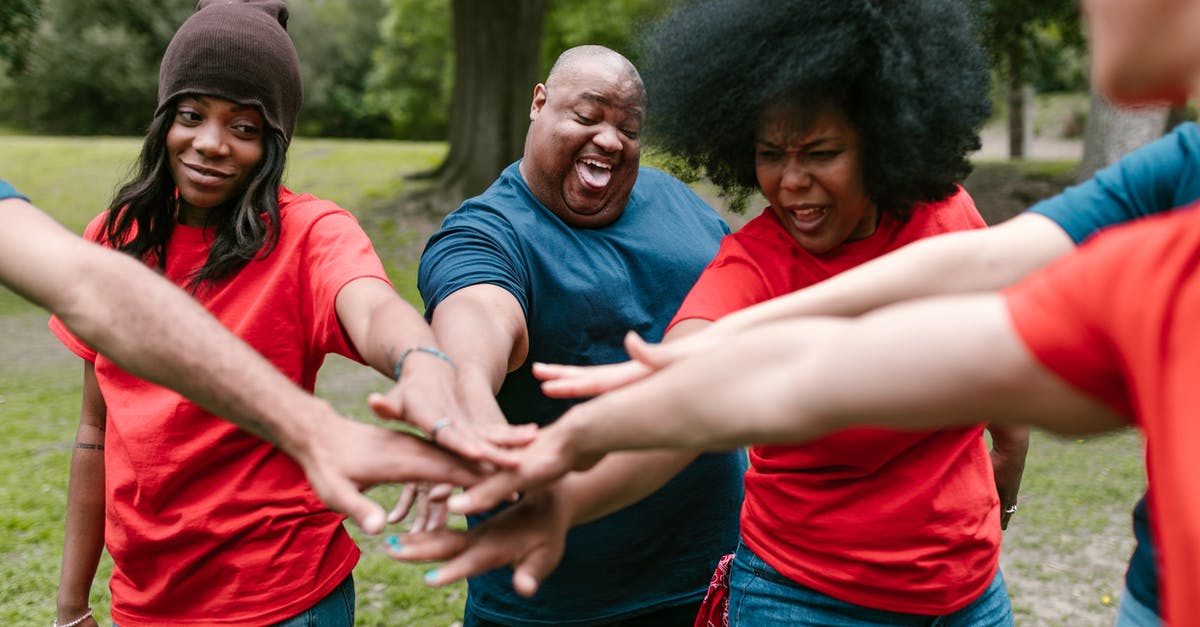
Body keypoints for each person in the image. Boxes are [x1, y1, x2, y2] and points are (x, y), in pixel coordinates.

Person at [434, 0, 1200, 623]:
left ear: (881, 137)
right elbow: (692, 406)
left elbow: (982, 283)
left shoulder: (948, 213)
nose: (791, 182)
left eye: (822, 152)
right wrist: (565, 485)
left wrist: (1003, 483)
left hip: (966, 594)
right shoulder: (752, 261)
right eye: (772, 154)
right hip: (805, 596)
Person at [46, 3, 501, 626]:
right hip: (147, 603)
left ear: (273, 143)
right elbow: (94, 432)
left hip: (282, 600)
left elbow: (372, 307)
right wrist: (71, 606)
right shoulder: (114, 238)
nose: (211, 143)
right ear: (163, 121)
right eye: (191, 115)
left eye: (245, 126)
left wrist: (418, 359)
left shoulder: (309, 234)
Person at [409, 44, 745, 626]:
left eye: (629, 127)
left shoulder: (681, 206)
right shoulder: (488, 232)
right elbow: (477, 323)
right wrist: (467, 409)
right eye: (587, 117)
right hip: (558, 604)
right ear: (539, 103)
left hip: (715, 584)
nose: (611, 140)